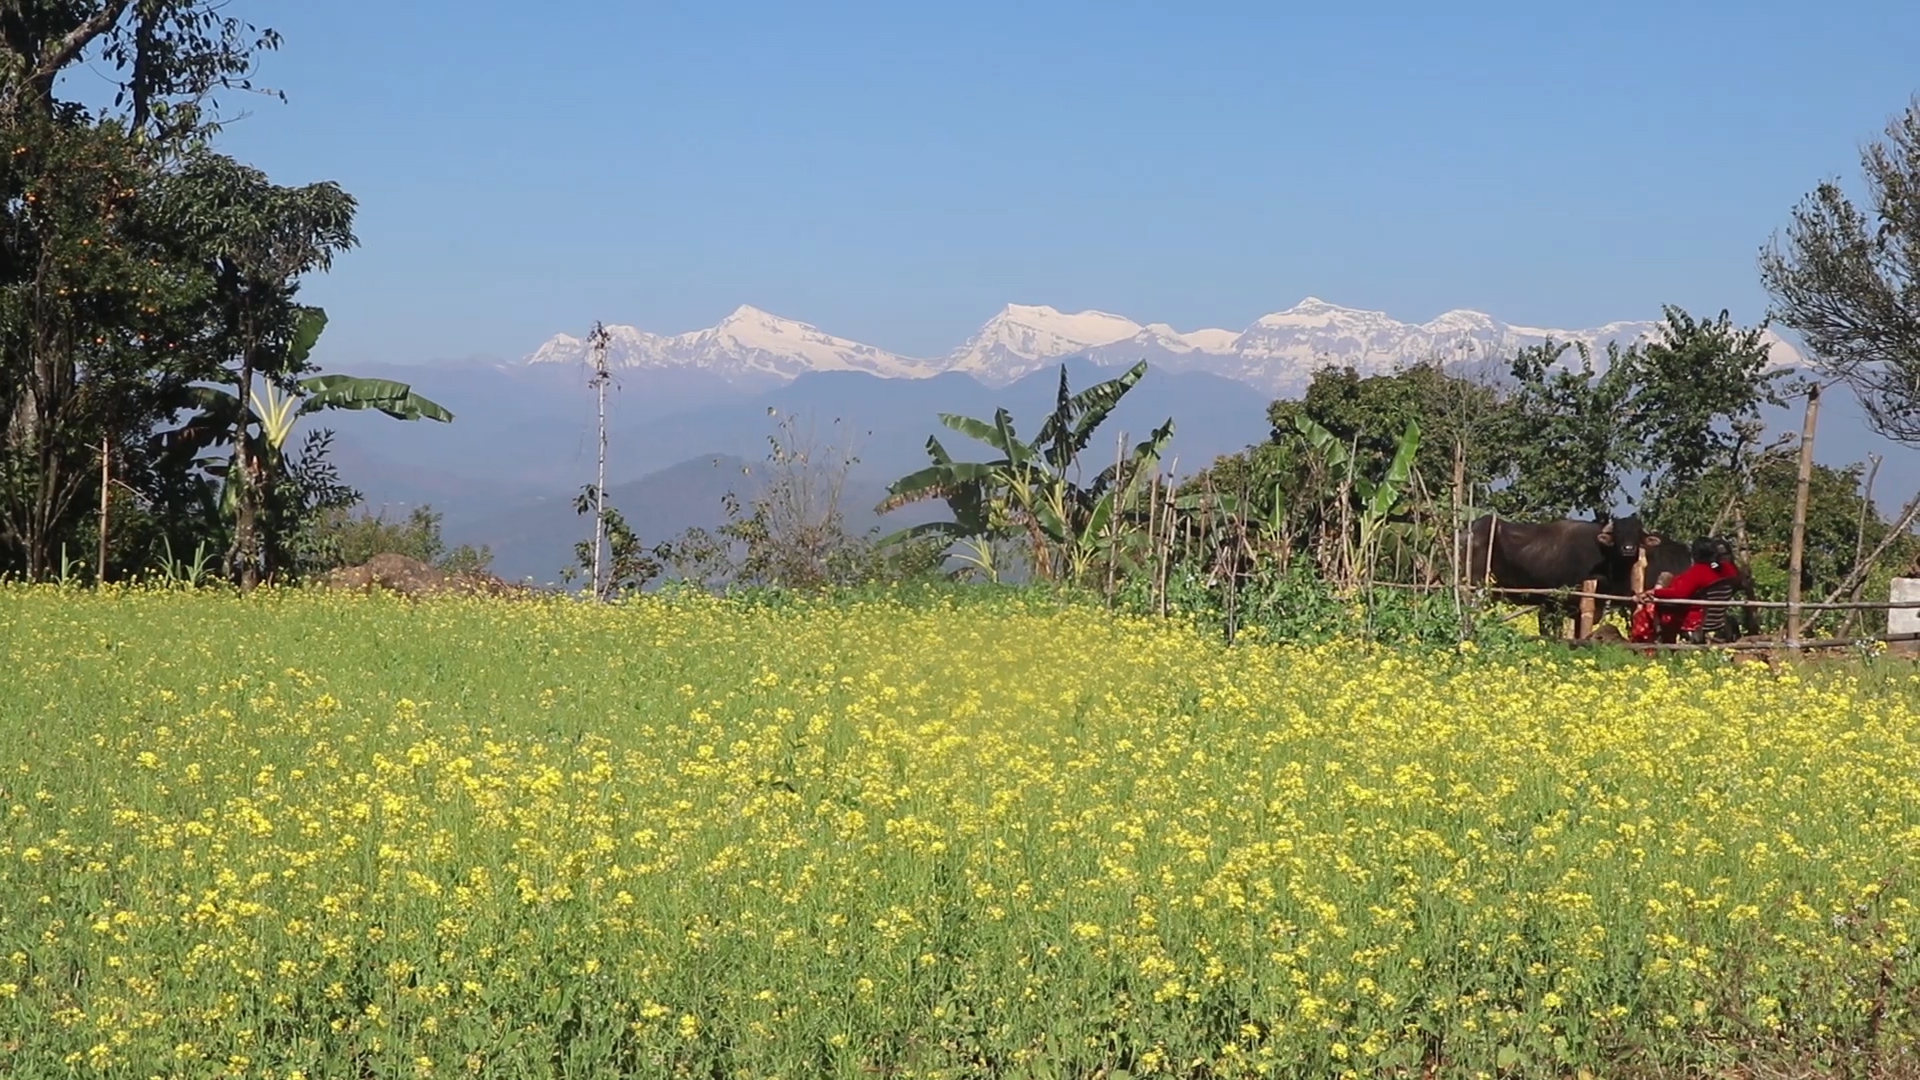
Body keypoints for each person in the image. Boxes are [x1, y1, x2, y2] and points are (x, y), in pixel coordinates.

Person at [1635, 538, 1741, 644]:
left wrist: (1654, 592)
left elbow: (1679, 593)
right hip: (1716, 616)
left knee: (1648, 609)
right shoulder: (1729, 569)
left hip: (1693, 617)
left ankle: (1645, 644)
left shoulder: (1698, 571)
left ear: (1695, 554)